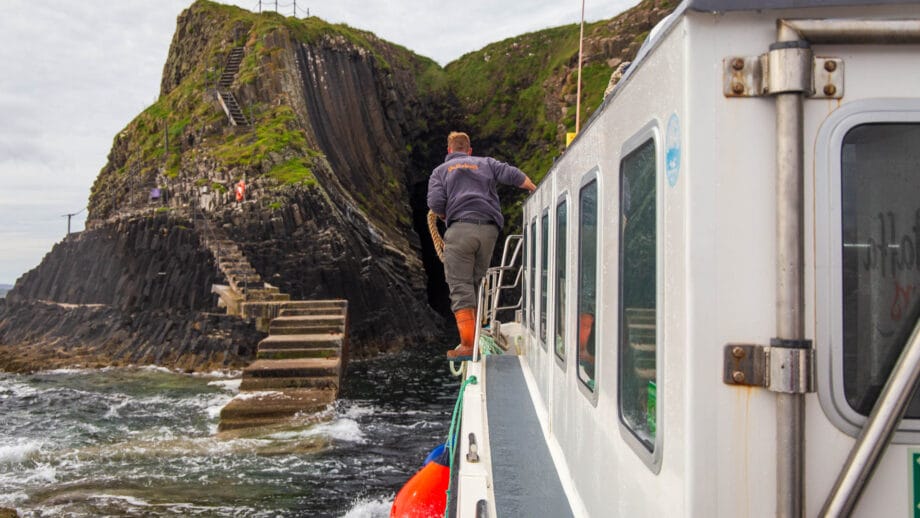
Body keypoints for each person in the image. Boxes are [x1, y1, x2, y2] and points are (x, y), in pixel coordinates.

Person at [427, 131, 537, 359]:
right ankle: (477, 335)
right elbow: (513, 175)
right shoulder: (486, 163)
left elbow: (435, 203)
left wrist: (446, 214)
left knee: (460, 286)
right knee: (476, 281)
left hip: (459, 230)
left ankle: (468, 345)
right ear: (469, 150)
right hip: (489, 230)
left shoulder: (440, 171)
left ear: (449, 151)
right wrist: (534, 189)